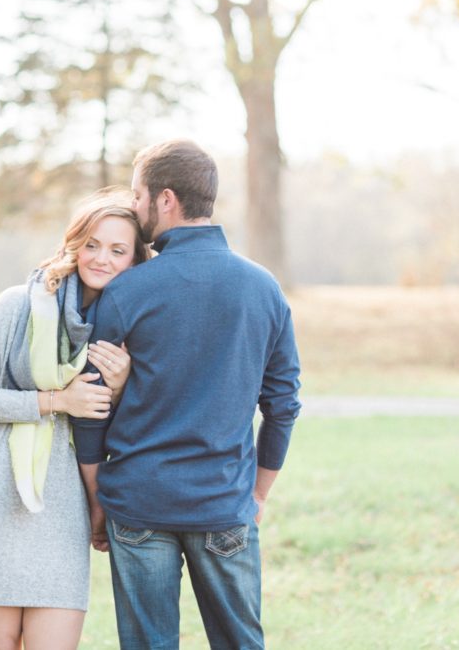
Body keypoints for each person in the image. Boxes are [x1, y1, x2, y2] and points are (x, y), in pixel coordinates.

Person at [71, 139, 302, 650]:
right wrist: (258, 492)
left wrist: (95, 498)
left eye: (138, 195)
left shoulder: (127, 291)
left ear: (166, 198)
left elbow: (91, 410)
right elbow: (283, 403)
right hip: (224, 502)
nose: (134, 206)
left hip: (137, 502)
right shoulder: (263, 287)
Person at [0, 191, 150, 650]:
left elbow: (130, 426)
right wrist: (57, 400)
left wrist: (122, 386)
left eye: (118, 250)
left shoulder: (131, 330)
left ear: (135, 261)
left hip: (62, 506)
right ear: (74, 244)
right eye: (93, 244)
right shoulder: (20, 304)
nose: (102, 259)